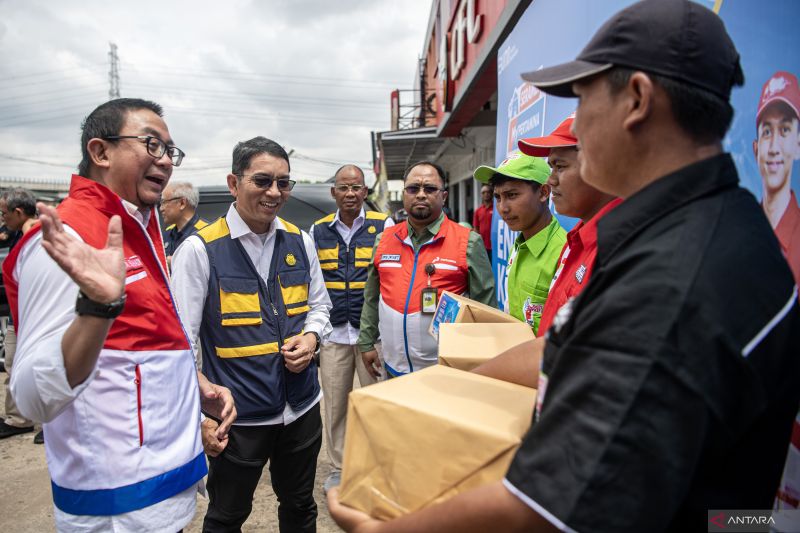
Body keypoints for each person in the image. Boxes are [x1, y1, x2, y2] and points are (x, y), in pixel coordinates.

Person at [328, 1, 800, 531]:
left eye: (581, 97)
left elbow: (547, 506)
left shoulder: (677, 278)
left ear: (638, 100)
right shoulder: (708, 227)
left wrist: (382, 530)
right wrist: (459, 388)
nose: (571, 132)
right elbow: (570, 348)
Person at [1, 98, 235, 532]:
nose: (165, 161)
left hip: (162, 490)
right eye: (151, 144)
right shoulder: (66, 239)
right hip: (118, 509)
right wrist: (97, 309)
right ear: (101, 152)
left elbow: (139, 348)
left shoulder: (140, 229)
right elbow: (33, 395)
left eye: (170, 151)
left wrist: (193, 386)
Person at [170, 136, 332, 532]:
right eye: (262, 181)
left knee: (299, 506)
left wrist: (311, 340)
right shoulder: (199, 251)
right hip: (238, 420)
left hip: (302, 409)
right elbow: (182, 343)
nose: (274, 192)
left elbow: (320, 307)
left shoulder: (300, 240)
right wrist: (200, 419)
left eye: (283, 182)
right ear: (233, 183)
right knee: (227, 516)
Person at [357, 161, 495, 378]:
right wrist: (366, 342)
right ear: (404, 194)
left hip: (445, 371)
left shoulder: (468, 242)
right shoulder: (383, 240)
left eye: (430, 189)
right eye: (413, 188)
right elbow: (372, 297)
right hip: (394, 367)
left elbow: (485, 310)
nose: (421, 195)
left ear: (444, 196)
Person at [309, 164, 393, 493]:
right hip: (333, 334)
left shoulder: (382, 225)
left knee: (374, 402)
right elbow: (313, 284)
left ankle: (375, 465)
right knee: (336, 406)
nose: (350, 194)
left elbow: (386, 277)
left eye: (356, 187)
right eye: (343, 188)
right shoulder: (318, 230)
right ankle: (341, 467)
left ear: (365, 192)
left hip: (370, 333)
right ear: (333, 192)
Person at [517, 115, 621, 335]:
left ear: (601, 165)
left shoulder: (618, 250)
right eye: (551, 168)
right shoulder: (576, 239)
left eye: (560, 166)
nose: (550, 180)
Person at [474, 153, 566, 335]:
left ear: (543, 193)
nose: (503, 208)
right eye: (498, 197)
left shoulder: (565, 253)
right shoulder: (519, 245)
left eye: (512, 195)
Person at [753, 70, 800, 286]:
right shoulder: (739, 237)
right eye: (767, 132)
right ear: (756, 150)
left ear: (798, 145)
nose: (773, 148)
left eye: (784, 130)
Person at [0, 189, 39, 443]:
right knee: (14, 367)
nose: (3, 220)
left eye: (4, 214)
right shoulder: (16, 236)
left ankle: (49, 424)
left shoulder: (38, 237)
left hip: (34, 317)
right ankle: (18, 418)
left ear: (18, 212)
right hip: (18, 316)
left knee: (42, 370)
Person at [160, 180, 208, 263]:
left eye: (164, 202)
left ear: (182, 203)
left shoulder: (207, 232)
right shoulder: (168, 232)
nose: (161, 209)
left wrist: (175, 262)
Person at [472, 183, 493, 260]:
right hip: (483, 246)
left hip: (495, 246)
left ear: (491, 193)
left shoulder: (497, 210)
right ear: (481, 195)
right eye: (483, 192)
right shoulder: (478, 211)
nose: (486, 194)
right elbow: (476, 229)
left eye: (488, 192)